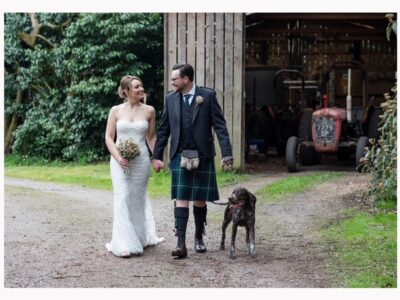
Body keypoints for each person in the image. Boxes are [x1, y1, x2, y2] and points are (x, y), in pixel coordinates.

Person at [152, 63, 233, 259]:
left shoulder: (207, 96)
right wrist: (156, 156)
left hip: (202, 154)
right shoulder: (170, 99)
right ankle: (181, 243)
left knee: (199, 199)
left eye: (175, 79)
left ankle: (198, 237)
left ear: (186, 79)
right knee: (181, 198)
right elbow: (164, 131)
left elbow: (220, 127)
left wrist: (227, 154)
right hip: (180, 154)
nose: (172, 82)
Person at [105, 75, 164, 258]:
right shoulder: (115, 110)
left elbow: (151, 137)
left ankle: (138, 237)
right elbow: (109, 137)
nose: (141, 90)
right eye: (137, 87)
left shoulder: (149, 111)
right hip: (119, 161)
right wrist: (118, 157)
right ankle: (122, 244)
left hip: (141, 162)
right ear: (126, 91)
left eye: (142, 86)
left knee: (137, 200)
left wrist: (157, 157)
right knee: (122, 196)